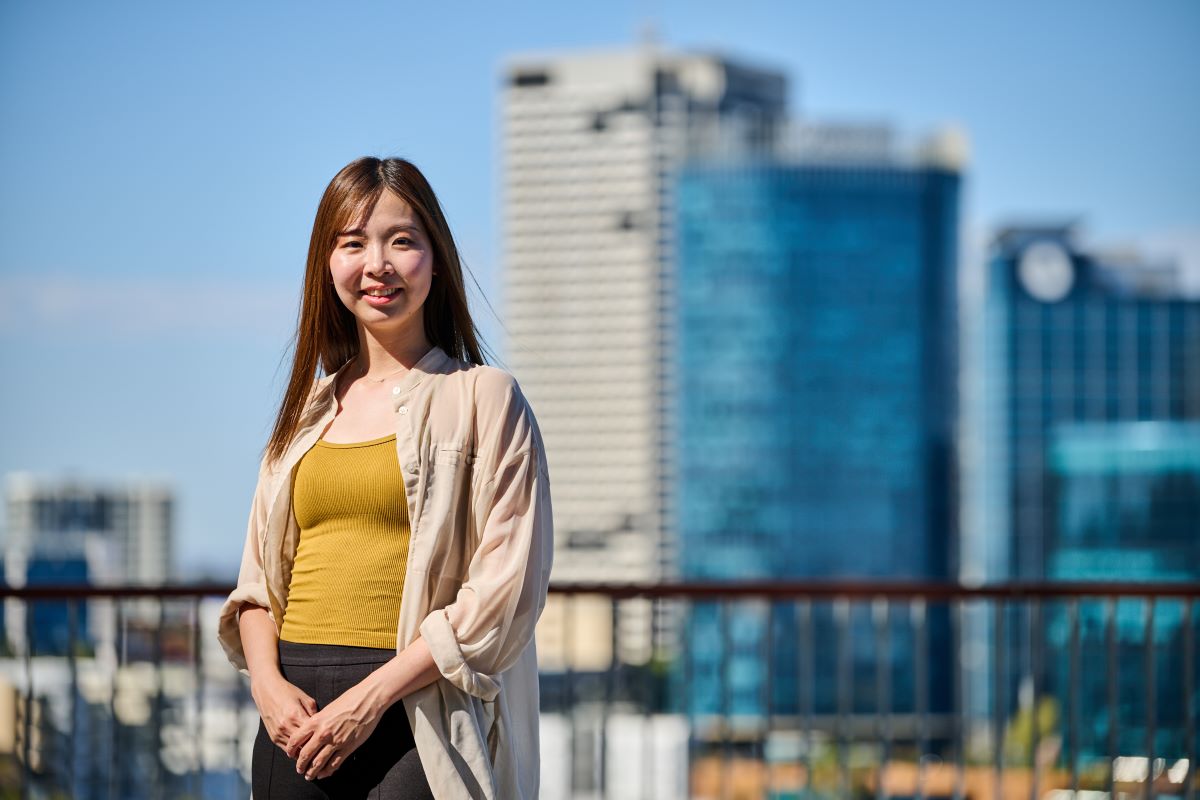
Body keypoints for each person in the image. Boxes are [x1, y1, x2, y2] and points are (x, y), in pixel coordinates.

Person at [216, 156, 554, 799]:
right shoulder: (304, 413)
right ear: (327, 263)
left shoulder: (484, 398)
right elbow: (257, 586)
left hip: (418, 712)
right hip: (296, 721)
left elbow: (504, 591)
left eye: (402, 240)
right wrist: (266, 685)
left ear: (437, 258)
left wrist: (370, 700)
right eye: (352, 243)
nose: (378, 263)